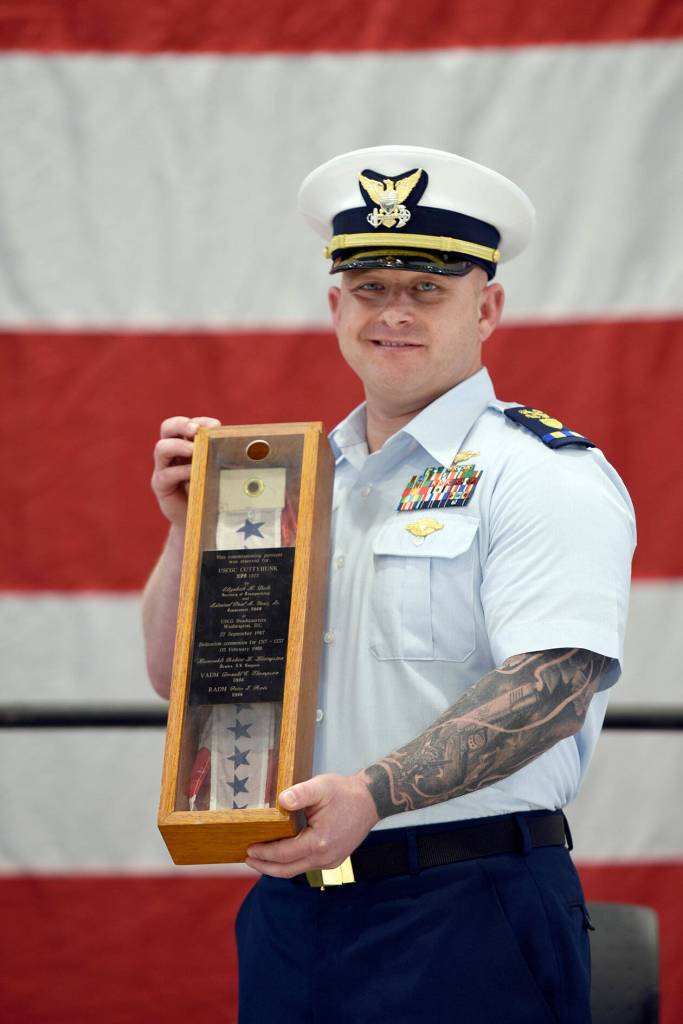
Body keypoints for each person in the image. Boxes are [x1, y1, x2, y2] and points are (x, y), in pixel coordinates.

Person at [143, 146, 635, 1023]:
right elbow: (179, 680)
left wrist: (370, 794)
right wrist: (189, 531)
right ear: (336, 305)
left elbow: (555, 684)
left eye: (427, 288)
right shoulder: (282, 480)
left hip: (468, 907)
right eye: (371, 287)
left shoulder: (540, 473)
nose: (394, 313)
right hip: (297, 911)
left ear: (486, 309)